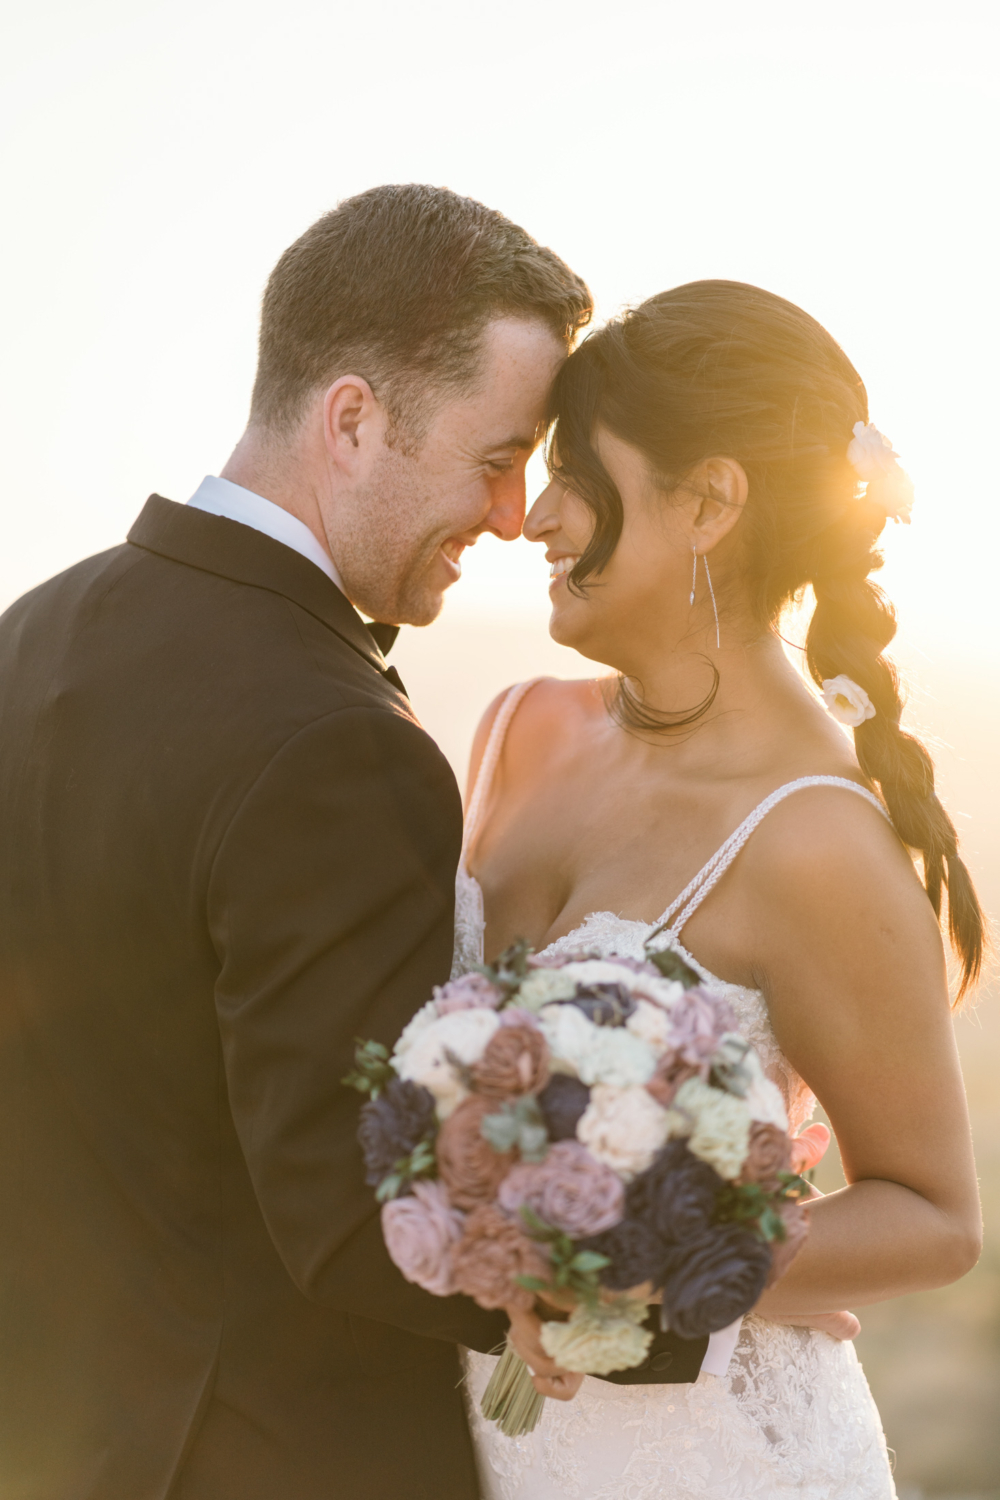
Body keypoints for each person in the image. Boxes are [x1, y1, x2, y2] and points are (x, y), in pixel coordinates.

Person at [0, 184, 591, 1500]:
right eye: (496, 456)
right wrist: (656, 1283)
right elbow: (353, 1218)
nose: (510, 515)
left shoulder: (28, 635)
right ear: (352, 420)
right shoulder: (338, 742)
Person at [457, 281, 984, 1499]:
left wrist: (660, 1252)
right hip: (490, 1442)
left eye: (577, 474)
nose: (535, 517)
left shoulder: (814, 839)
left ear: (708, 503)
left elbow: (934, 1216)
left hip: (710, 1461)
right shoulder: (514, 730)